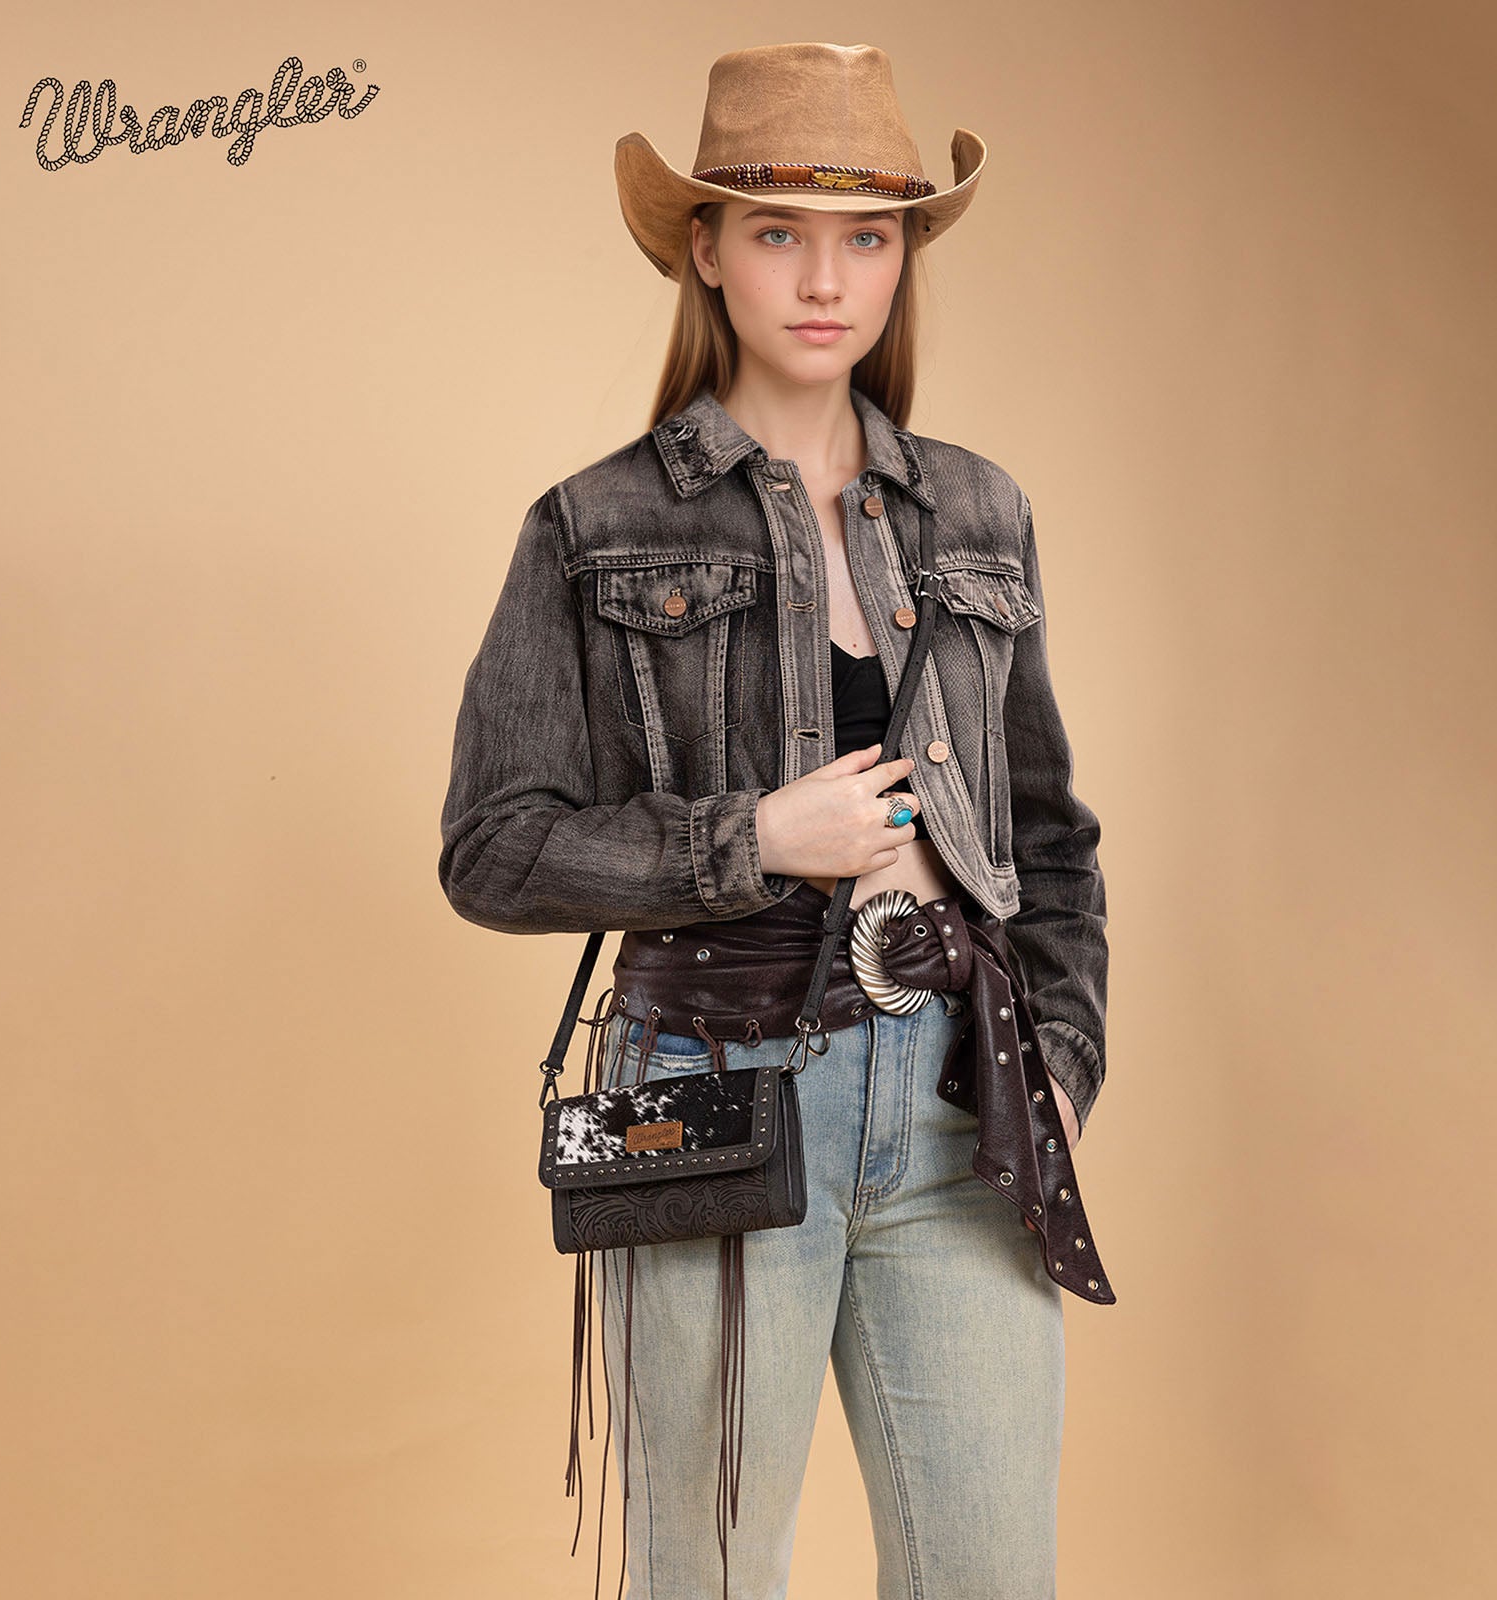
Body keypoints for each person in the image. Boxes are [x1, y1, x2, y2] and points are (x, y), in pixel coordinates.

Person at [438, 41, 1113, 1600]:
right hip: (711, 1090)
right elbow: (493, 845)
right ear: (705, 248)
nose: (826, 279)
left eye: (867, 236)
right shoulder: (596, 524)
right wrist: (752, 840)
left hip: (960, 1104)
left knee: (992, 1575)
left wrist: (1062, 1065)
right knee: (707, 1579)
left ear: (903, 257)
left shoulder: (978, 511)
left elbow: (1049, 836)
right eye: (777, 232)